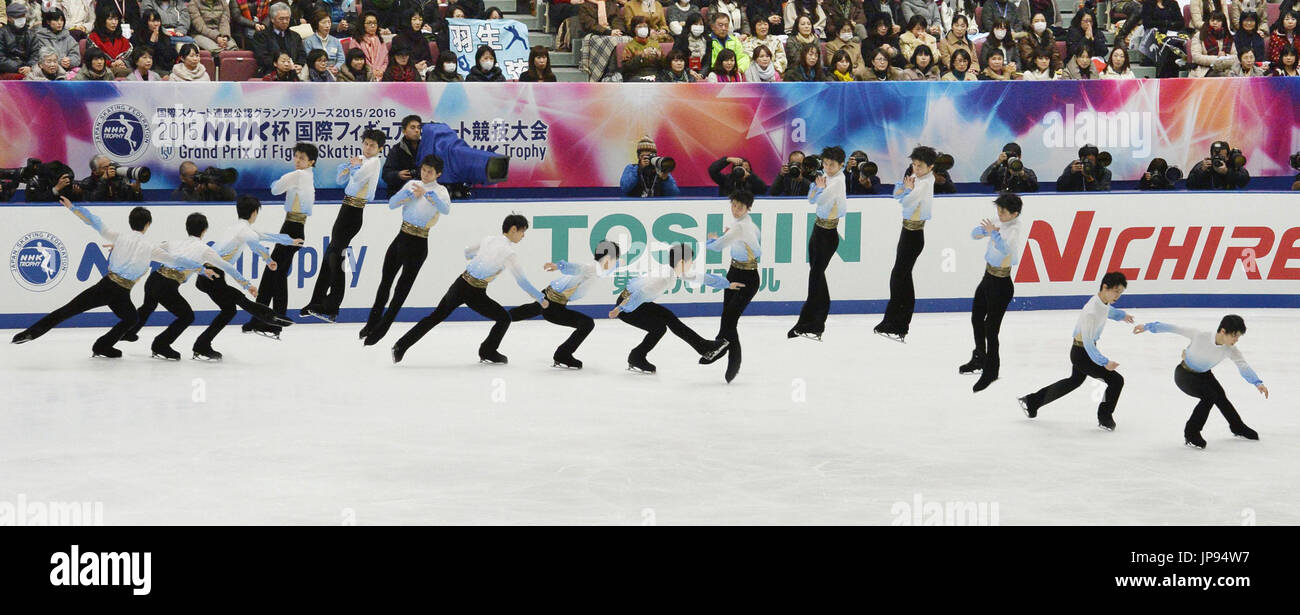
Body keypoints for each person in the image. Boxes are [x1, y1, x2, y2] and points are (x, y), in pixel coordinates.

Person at [11, 198, 199, 357]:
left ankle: (101, 345)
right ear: (148, 225)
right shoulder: (150, 248)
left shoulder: (118, 237)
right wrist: (199, 267)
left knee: (122, 317)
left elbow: (94, 221)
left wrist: (73, 208)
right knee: (129, 319)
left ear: (130, 222)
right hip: (120, 290)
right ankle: (101, 345)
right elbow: (175, 259)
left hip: (108, 287)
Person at [391, 214, 549, 365]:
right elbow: (522, 282)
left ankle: (400, 346)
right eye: (523, 231)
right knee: (504, 318)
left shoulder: (489, 240)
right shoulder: (509, 253)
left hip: (460, 283)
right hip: (475, 293)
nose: (523, 236)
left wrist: (480, 260)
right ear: (513, 229)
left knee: (435, 317)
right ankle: (488, 351)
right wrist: (540, 298)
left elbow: (467, 252)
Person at [122, 213, 260, 360]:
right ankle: (160, 344)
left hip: (154, 279)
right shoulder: (205, 249)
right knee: (187, 316)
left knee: (148, 306)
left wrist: (124, 248)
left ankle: (127, 332)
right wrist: (247, 285)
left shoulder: (173, 242)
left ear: (187, 228)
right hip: (167, 285)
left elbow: (147, 250)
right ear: (205, 230)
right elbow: (227, 267)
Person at [1019, 272, 1136, 431]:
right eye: (1116, 291)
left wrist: (1122, 316)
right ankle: (1104, 417)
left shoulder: (1101, 302)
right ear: (1105, 287)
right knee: (1116, 381)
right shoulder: (1091, 312)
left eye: (1120, 293)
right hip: (1082, 353)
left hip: (1082, 351)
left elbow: (1108, 311)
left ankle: (1031, 401)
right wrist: (1105, 362)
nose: (1118, 296)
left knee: (1073, 381)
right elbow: (1088, 344)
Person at [1132, 315, 1267, 449]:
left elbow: (1243, 365)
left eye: (1238, 336)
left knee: (1220, 395)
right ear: (1223, 331)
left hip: (1204, 375)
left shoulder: (1230, 349)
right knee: (1209, 396)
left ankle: (1237, 427)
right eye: (1234, 335)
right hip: (1184, 374)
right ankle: (1191, 433)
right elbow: (1174, 328)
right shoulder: (1200, 335)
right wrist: (1147, 326)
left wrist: (1257, 383)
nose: (1236, 340)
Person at [193, 196, 302, 361]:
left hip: (208, 275)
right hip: (212, 275)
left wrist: (289, 241)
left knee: (229, 310)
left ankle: (202, 345)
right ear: (254, 213)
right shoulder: (245, 231)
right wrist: (269, 260)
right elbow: (256, 244)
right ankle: (270, 318)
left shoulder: (237, 228)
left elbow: (263, 236)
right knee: (241, 300)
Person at [361, 155, 451, 346]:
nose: (425, 174)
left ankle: (380, 331)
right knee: (385, 283)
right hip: (401, 238)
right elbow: (392, 203)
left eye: (430, 172)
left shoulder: (441, 191)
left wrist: (428, 194)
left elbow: (445, 210)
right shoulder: (411, 184)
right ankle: (371, 323)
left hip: (419, 244)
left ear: (438, 174)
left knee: (400, 292)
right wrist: (410, 195)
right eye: (424, 170)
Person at [609, 243, 734, 374]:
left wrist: (726, 284)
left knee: (668, 320)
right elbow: (638, 295)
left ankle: (705, 348)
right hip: (628, 306)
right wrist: (619, 309)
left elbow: (701, 277)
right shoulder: (663, 278)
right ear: (681, 262)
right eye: (690, 261)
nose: (691, 264)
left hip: (637, 302)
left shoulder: (673, 270)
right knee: (659, 328)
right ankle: (637, 357)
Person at [303, 129, 386, 322]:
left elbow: (357, 179)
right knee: (329, 256)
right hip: (345, 209)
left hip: (354, 213)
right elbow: (340, 180)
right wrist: (346, 168)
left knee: (335, 257)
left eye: (372, 145)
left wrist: (354, 167)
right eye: (366, 143)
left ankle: (332, 306)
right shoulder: (360, 159)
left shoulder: (374, 162)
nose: (367, 148)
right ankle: (315, 302)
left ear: (380, 149)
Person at [242, 142, 318, 339]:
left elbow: (275, 189)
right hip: (295, 227)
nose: (297, 160)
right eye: (296, 156)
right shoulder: (308, 176)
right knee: (277, 275)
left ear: (311, 161)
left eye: (302, 158)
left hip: (292, 228)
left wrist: (284, 183)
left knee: (272, 273)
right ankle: (270, 320)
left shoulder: (300, 175)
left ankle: (268, 319)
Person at [508, 241, 622, 370]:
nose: (615, 263)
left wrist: (618, 263)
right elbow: (576, 267)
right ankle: (563, 354)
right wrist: (559, 266)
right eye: (615, 259)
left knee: (528, 310)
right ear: (607, 259)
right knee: (587, 323)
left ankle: (502, 316)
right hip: (554, 306)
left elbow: (608, 269)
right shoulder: (592, 268)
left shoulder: (599, 268)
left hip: (548, 295)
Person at [874, 145, 937, 342]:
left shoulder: (925, 182)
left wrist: (906, 191)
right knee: (902, 277)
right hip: (907, 231)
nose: (915, 169)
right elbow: (897, 195)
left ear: (931, 167)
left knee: (898, 276)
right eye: (914, 165)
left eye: (920, 166)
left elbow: (906, 201)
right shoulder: (917, 179)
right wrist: (904, 189)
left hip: (914, 235)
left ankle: (897, 322)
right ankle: (897, 323)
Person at [962, 193, 1024, 392]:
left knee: (991, 328)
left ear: (1014, 213)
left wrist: (993, 233)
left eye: (1003, 211)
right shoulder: (998, 220)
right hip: (988, 277)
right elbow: (974, 233)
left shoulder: (1014, 228)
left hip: (1001, 284)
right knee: (976, 318)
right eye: (998, 209)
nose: (999, 213)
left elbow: (1005, 248)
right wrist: (983, 231)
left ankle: (991, 371)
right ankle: (979, 357)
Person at [700, 190, 762, 383]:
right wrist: (726, 237)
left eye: (740, 207)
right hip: (734, 271)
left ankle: (728, 357)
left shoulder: (743, 227)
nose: (735, 210)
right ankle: (719, 350)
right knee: (727, 318)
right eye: (733, 205)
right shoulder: (743, 225)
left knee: (729, 319)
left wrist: (711, 241)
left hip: (747, 278)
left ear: (748, 208)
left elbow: (718, 247)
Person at [789, 146, 848, 341]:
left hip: (828, 235)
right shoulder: (826, 178)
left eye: (832, 164)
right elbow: (811, 199)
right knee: (816, 277)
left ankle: (810, 323)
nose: (828, 167)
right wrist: (818, 190)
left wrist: (819, 189)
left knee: (815, 278)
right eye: (825, 163)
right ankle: (814, 322)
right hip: (818, 230)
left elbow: (819, 198)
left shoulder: (838, 181)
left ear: (841, 165)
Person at [252, 2, 304, 76]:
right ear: (272, 19)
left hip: (293, 73)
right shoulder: (261, 35)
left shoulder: (295, 36)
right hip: (270, 72)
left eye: (287, 18)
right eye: (281, 19)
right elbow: (261, 57)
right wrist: (279, 65)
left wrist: (299, 64)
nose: (285, 22)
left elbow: (302, 54)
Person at [382, 114, 422, 198]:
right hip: (399, 194)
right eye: (412, 127)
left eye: (419, 127)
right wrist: (397, 175)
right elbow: (385, 175)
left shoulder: (426, 148)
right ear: (404, 131)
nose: (417, 130)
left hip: (421, 194)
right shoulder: (396, 150)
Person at [1190, 10, 1237, 77]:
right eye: (1212, 20)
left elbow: (1236, 57)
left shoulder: (1228, 36)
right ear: (1208, 21)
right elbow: (1196, 57)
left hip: (1225, 68)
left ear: (1223, 23)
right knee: (1225, 76)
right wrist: (1218, 59)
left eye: (1218, 21)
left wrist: (1226, 56)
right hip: (1204, 70)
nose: (1215, 23)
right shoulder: (1199, 35)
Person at [130, 8, 176, 76]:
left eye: (157, 21)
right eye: (152, 21)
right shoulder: (137, 37)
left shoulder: (165, 37)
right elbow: (138, 58)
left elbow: (170, 57)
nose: (156, 24)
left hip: (164, 69)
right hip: (145, 70)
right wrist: (152, 42)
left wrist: (158, 43)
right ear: (145, 22)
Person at [88, 7, 132, 77]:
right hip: (101, 69)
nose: (114, 22)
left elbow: (130, 57)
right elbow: (90, 58)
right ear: (102, 21)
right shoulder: (93, 37)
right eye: (110, 19)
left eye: (116, 19)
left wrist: (123, 62)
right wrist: (111, 64)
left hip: (122, 68)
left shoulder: (122, 38)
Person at [302, 9, 344, 73]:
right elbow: (309, 61)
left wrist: (336, 68)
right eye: (324, 22)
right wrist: (324, 68)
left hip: (335, 73)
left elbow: (341, 59)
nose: (327, 26)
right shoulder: (308, 41)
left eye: (329, 22)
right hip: (316, 73)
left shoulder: (336, 41)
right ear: (316, 24)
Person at [0, 3, 36, 77]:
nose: (22, 19)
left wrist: (30, 66)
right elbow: (1, 57)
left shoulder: (31, 34)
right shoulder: (2, 34)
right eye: (18, 17)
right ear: (9, 18)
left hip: (29, 70)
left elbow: (36, 54)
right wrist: (18, 67)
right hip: (7, 71)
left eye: (23, 16)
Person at [351, 11, 386, 78]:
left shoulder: (381, 40)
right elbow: (355, 62)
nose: (373, 26)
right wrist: (371, 71)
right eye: (369, 23)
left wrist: (381, 71)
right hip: (363, 75)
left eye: (375, 23)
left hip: (381, 75)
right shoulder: (355, 42)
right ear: (362, 24)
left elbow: (385, 61)